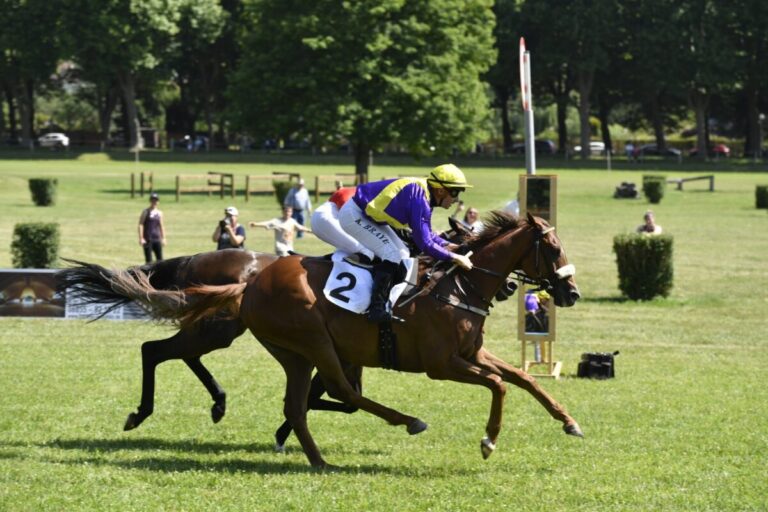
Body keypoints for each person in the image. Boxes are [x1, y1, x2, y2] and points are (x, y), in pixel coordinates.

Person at [337, 163, 474, 322]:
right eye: (455, 192)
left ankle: (386, 300)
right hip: (355, 215)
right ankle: (376, 308)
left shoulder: (425, 195)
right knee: (392, 253)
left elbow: (427, 234)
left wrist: (448, 246)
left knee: (402, 253)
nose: (457, 199)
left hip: (369, 217)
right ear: (440, 190)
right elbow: (425, 244)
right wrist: (454, 257)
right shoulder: (420, 198)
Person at [310, 185, 373, 259]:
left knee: (345, 251)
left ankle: (334, 267)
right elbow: (345, 206)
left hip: (322, 217)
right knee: (367, 251)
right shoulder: (356, 191)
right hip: (326, 217)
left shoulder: (359, 191)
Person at [138, 192, 166, 263]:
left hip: (157, 239)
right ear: (150, 201)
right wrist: (141, 238)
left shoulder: (160, 213)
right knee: (149, 261)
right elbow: (141, 224)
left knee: (160, 260)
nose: (154, 202)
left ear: (158, 202)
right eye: (153, 200)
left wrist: (163, 238)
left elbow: (161, 226)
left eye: (156, 200)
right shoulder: (146, 212)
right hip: (148, 239)